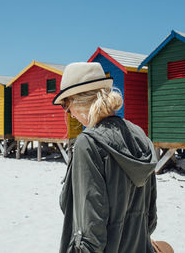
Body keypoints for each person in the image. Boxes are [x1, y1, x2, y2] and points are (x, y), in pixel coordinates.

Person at [53, 62, 158, 253]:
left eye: (66, 105)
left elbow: (90, 236)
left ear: (79, 101)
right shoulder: (138, 134)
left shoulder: (88, 144)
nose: (70, 114)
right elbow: (150, 220)